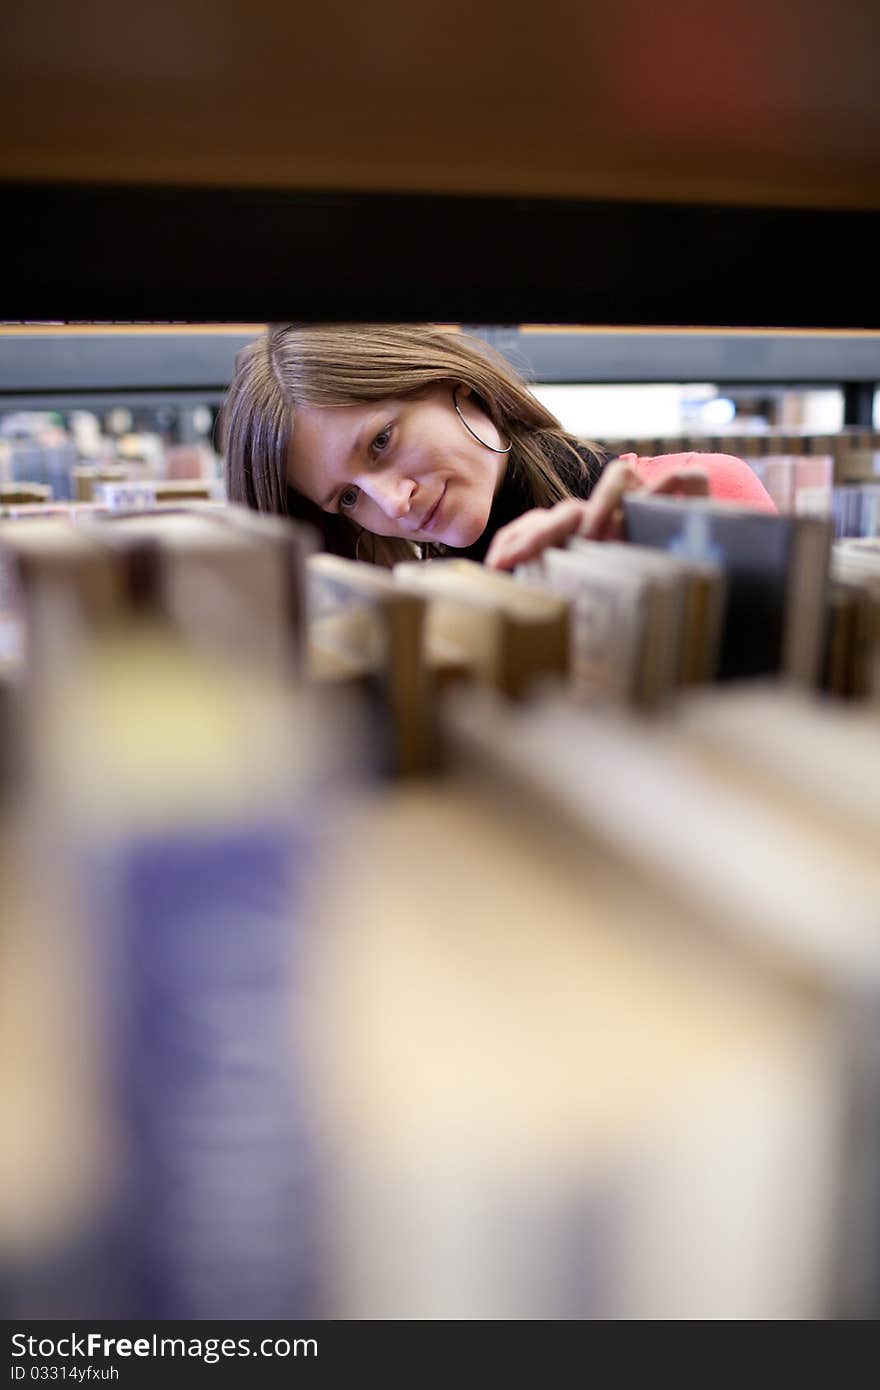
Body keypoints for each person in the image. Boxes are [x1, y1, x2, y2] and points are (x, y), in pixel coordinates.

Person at [220, 323, 775, 570]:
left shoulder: (695, 499)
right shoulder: (425, 608)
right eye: (346, 498)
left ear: (460, 387)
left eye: (381, 443)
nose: (391, 505)